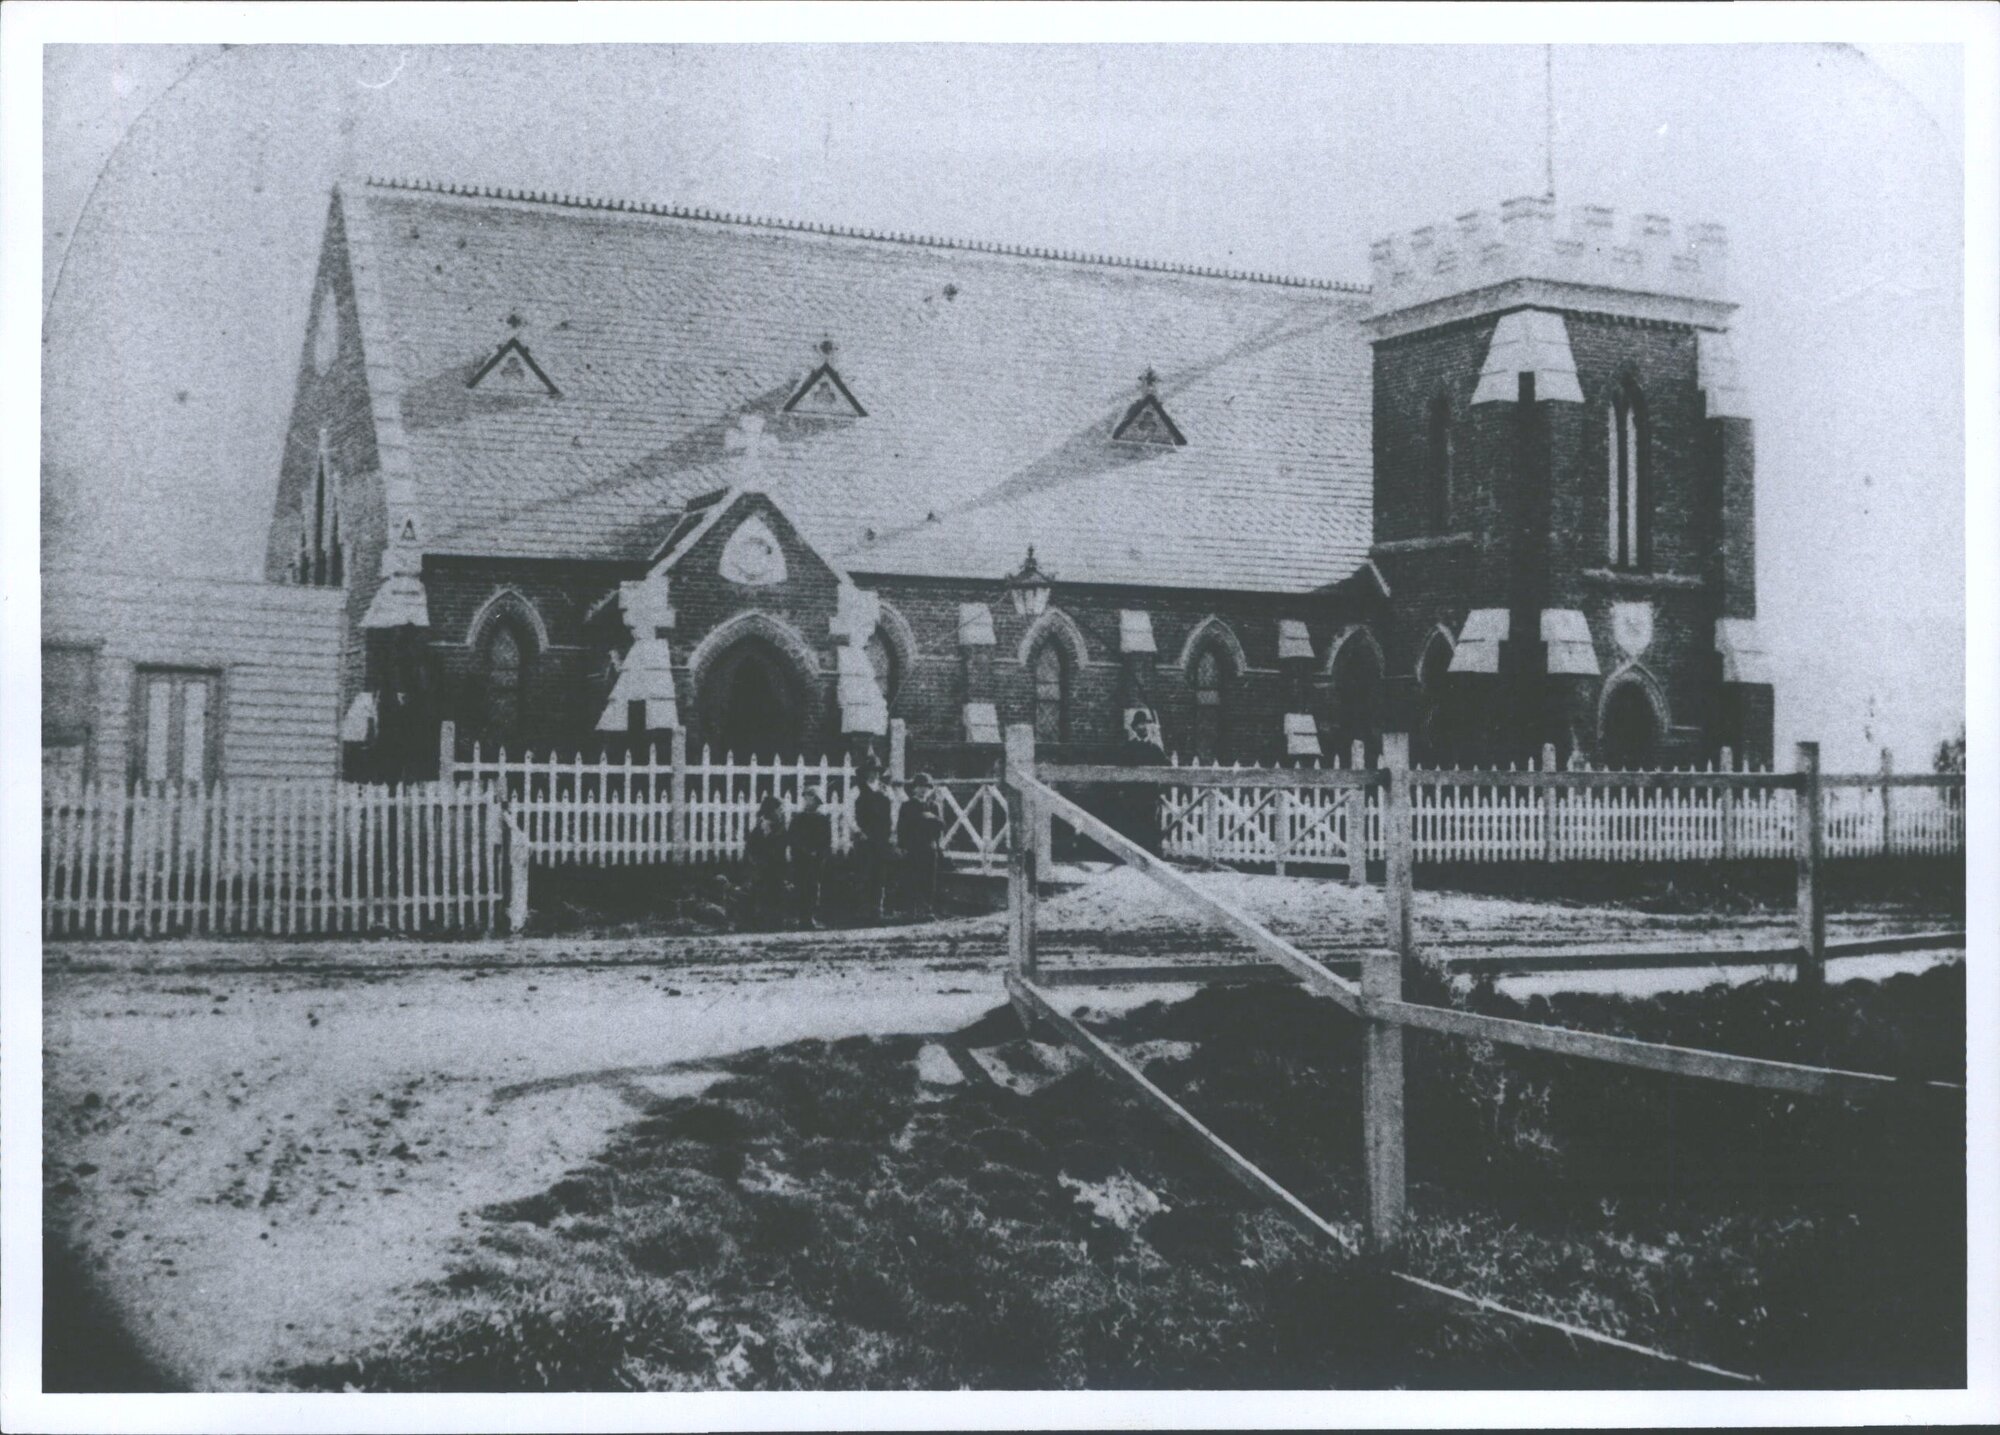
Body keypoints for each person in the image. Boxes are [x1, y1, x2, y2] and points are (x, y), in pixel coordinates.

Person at [897, 771, 944, 919]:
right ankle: (911, 910)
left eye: (927, 787)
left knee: (929, 879)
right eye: (920, 787)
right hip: (913, 847)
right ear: (914, 788)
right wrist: (902, 846)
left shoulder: (933, 806)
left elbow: (941, 826)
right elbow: (902, 827)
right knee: (912, 878)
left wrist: (933, 818)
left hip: (929, 847)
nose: (923, 790)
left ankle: (927, 909)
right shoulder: (907, 805)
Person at [853, 756, 895, 920]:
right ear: (865, 773)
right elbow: (850, 814)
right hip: (864, 836)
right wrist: (858, 831)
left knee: (880, 873)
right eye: (870, 771)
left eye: (876, 771)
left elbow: (894, 813)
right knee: (864, 872)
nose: (873, 774)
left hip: (882, 837)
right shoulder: (857, 790)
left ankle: (877, 909)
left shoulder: (887, 790)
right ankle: (862, 910)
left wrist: (892, 832)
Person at [788, 786, 833, 928]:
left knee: (813, 887)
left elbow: (826, 840)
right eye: (806, 797)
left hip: (816, 859)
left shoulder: (823, 819)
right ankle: (801, 917)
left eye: (811, 798)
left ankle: (811, 917)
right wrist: (803, 851)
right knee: (800, 886)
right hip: (801, 858)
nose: (808, 801)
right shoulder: (798, 818)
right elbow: (792, 838)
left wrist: (818, 853)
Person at [744, 793, 789, 929]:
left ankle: (777, 922)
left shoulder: (781, 828)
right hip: (763, 869)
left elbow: (782, 845)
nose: (781, 812)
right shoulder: (759, 829)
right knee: (763, 895)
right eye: (778, 809)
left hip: (777, 868)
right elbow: (751, 849)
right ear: (771, 811)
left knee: (777, 894)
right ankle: (761, 922)